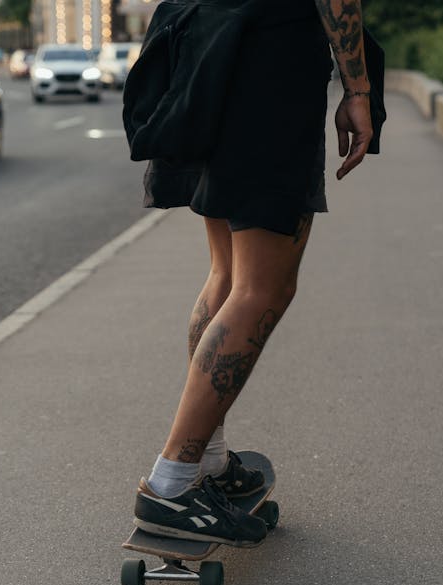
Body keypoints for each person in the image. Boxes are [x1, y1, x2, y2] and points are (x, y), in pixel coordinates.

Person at [131, 0, 374, 547]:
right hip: (268, 58)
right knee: (263, 285)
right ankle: (171, 482)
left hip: (205, 43)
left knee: (227, 273)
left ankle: (207, 464)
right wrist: (357, 89)